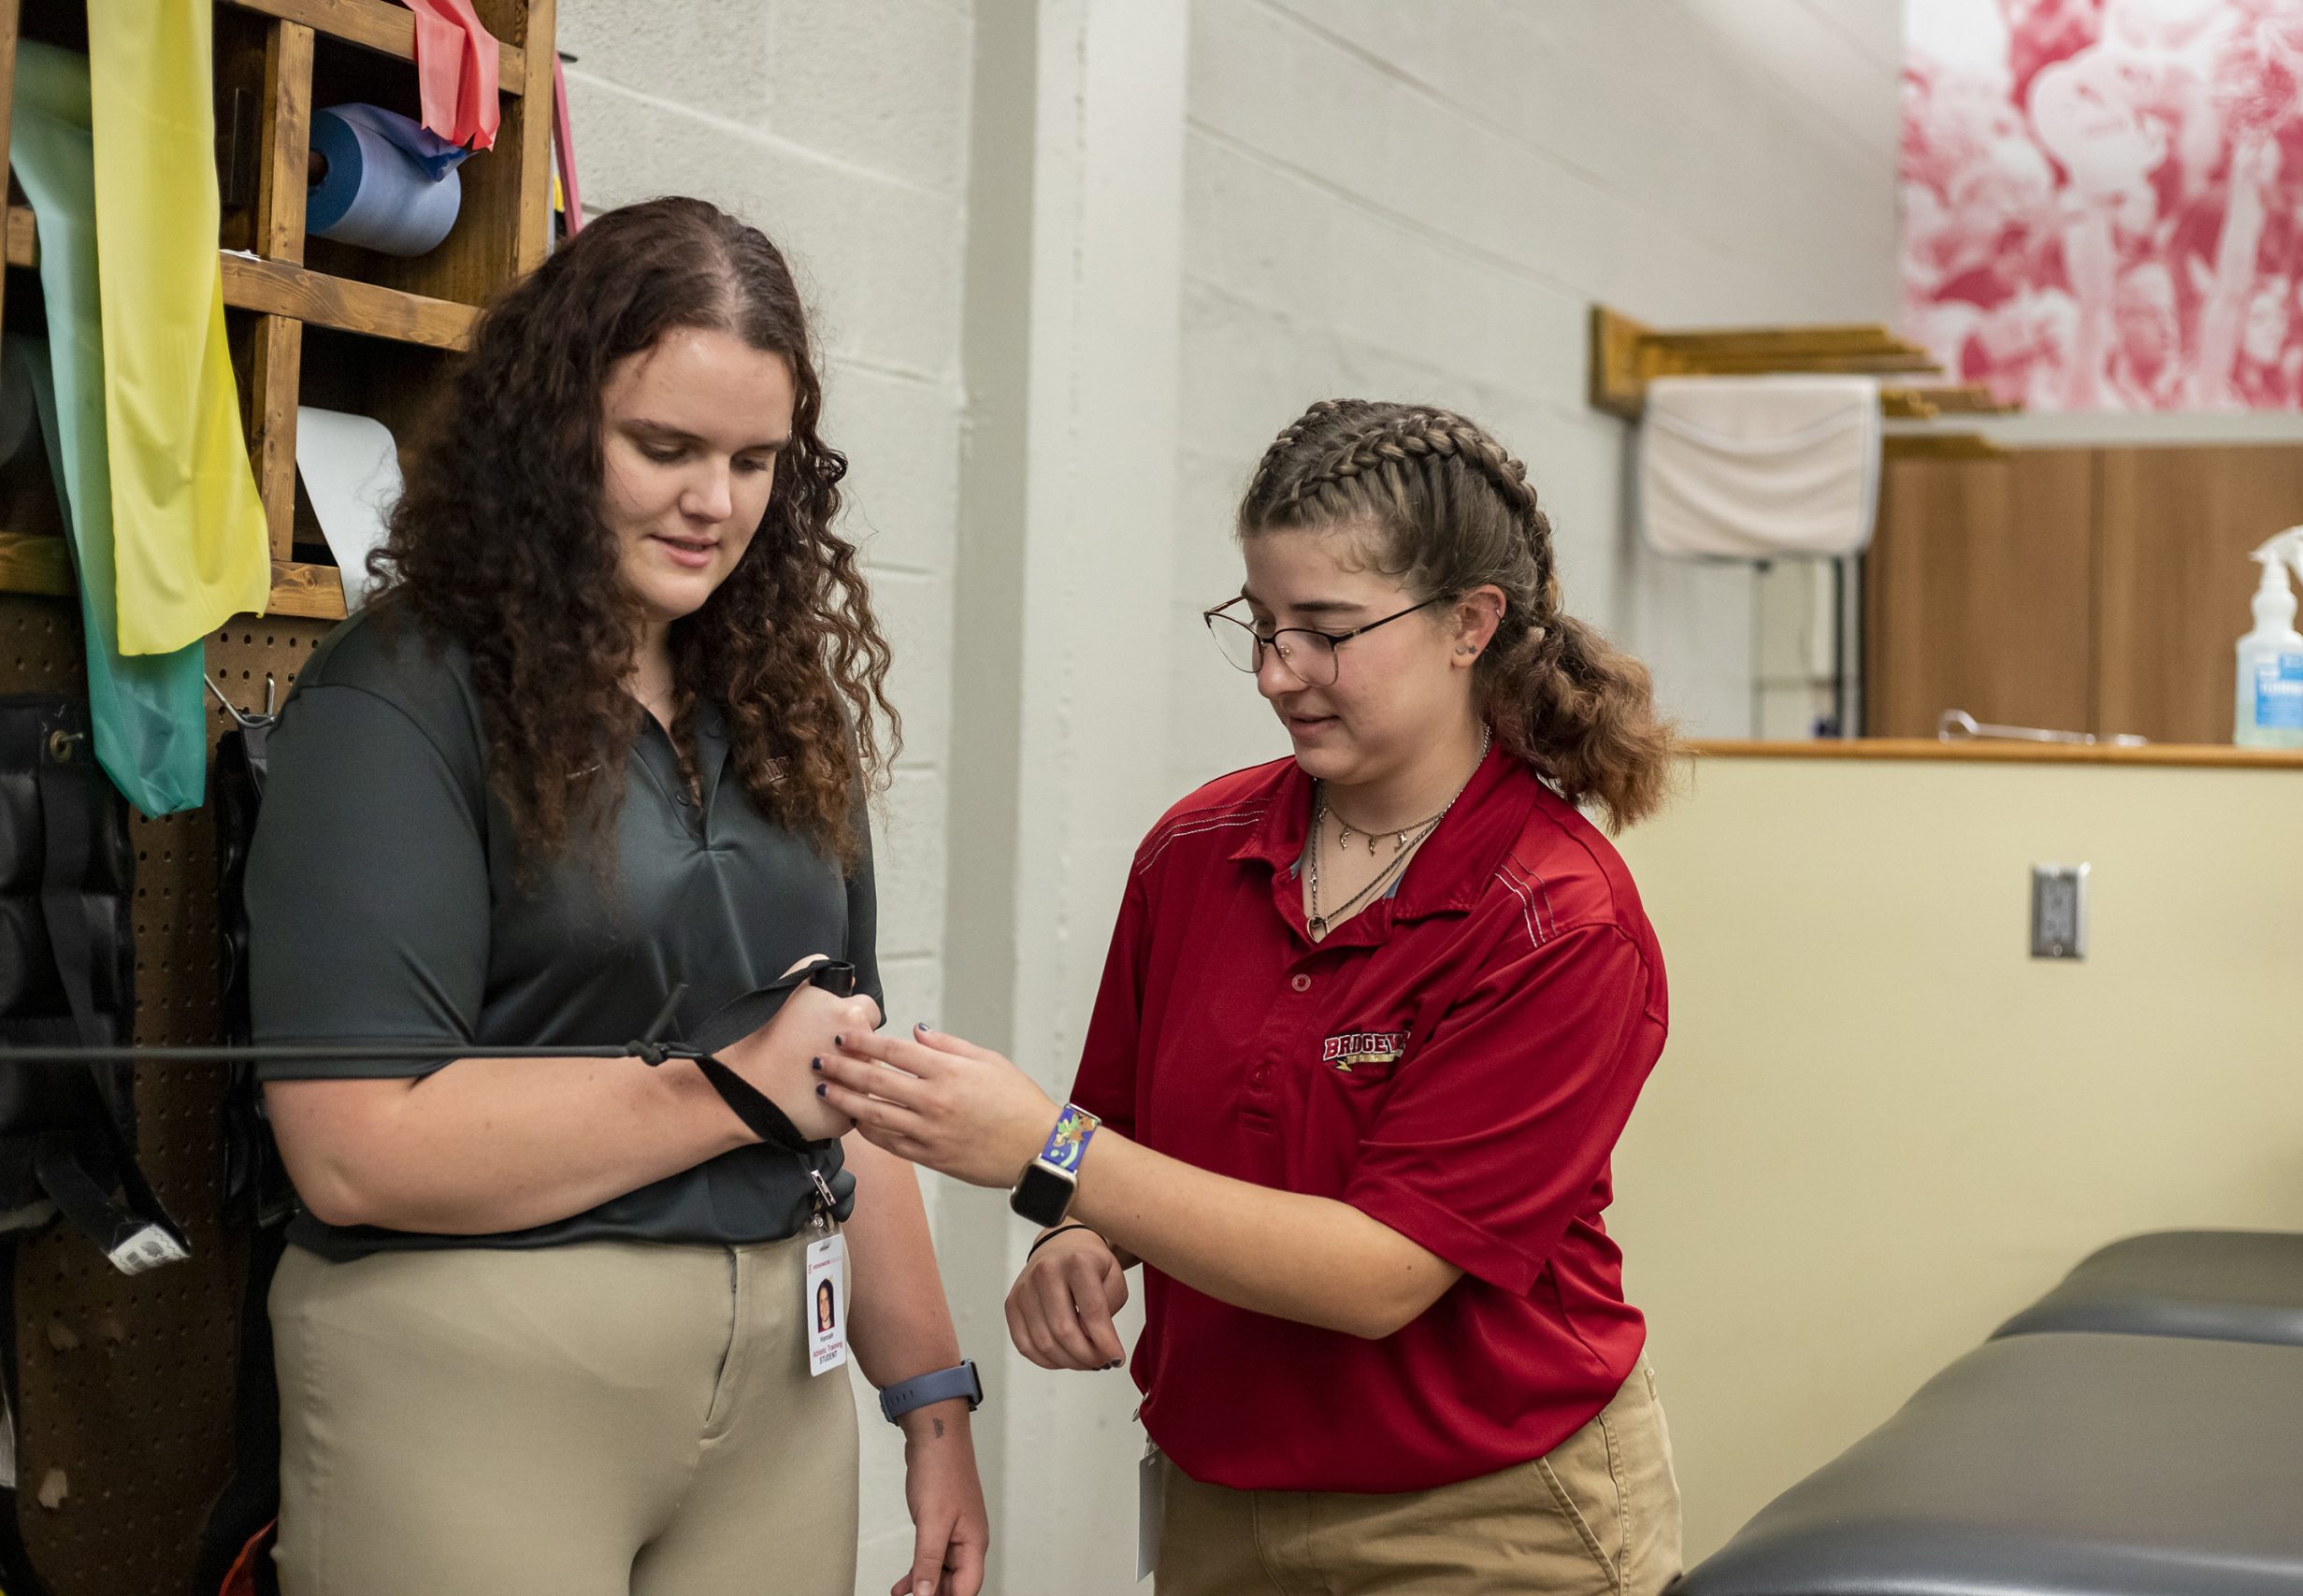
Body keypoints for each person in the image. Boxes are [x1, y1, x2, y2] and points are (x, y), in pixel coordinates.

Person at [245, 197, 987, 1596]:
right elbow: (350, 1144)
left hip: (777, 1378)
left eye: (755, 460)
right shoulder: (403, 696)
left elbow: (849, 1069)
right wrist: (728, 1088)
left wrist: (931, 1395)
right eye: (666, 448)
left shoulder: (776, 703)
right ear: (553, 432)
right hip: (475, 1371)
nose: (716, 500)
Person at [817, 400, 1686, 1593]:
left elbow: (1379, 1274)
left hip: (1483, 1518)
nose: (1280, 673)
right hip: (1219, 1500)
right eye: (1261, 624)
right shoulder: (1197, 851)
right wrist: (1078, 1236)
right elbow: (1121, 1143)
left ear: (1469, 624)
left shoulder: (1558, 919)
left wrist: (1049, 1157)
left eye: (1326, 631)